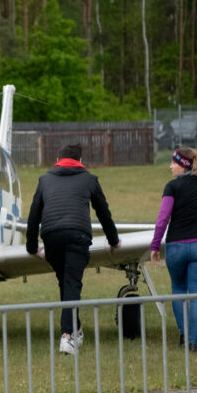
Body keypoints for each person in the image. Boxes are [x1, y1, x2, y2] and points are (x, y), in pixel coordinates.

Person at [26, 144, 120, 355]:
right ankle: (67, 337)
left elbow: (33, 215)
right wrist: (113, 241)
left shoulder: (45, 180)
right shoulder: (89, 180)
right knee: (71, 284)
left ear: (58, 158)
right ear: (80, 159)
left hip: (51, 237)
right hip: (78, 235)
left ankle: (75, 331)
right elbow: (103, 212)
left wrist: (31, 247)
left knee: (66, 283)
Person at [149, 147, 197, 352]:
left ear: (184, 164)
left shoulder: (172, 187)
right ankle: (194, 343)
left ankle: (184, 335)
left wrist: (155, 245)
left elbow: (163, 219)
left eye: (174, 163)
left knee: (178, 290)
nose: (170, 166)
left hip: (176, 247)